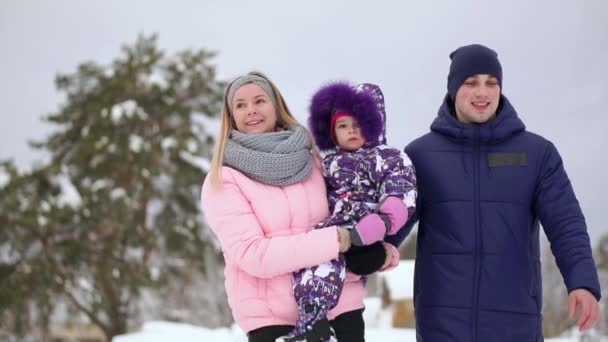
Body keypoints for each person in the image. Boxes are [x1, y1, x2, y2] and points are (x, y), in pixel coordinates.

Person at [386, 44, 602, 341]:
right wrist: (358, 253)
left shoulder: (536, 154)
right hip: (442, 325)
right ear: (453, 88)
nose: (482, 93)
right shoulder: (420, 155)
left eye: (492, 83)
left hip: (515, 324)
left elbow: (566, 224)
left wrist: (582, 282)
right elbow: (390, 225)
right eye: (471, 82)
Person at [201, 71, 400, 342]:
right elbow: (254, 255)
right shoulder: (223, 179)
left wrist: (374, 250)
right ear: (231, 116)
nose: (251, 110)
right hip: (276, 320)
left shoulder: (314, 161)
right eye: (240, 105)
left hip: (342, 308)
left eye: (259, 100)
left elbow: (348, 214)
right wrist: (337, 241)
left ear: (275, 105)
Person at [277, 82, 417, 342]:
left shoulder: (388, 157)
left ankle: (315, 327)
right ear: (332, 132)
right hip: (334, 230)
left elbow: (402, 194)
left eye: (359, 123)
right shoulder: (329, 162)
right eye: (343, 125)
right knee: (310, 270)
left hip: (366, 226)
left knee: (331, 265)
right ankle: (313, 325)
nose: (351, 130)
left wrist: (379, 224)